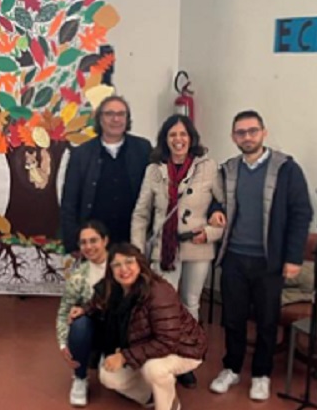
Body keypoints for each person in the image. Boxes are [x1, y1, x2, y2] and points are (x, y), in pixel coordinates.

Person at [208, 110, 312, 401]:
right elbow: (214, 198)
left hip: (270, 260)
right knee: (233, 318)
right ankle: (231, 368)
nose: (247, 137)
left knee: (267, 320)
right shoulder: (228, 169)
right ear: (233, 137)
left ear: (263, 133)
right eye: (240, 132)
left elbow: (301, 214)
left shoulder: (287, 169)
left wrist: (293, 257)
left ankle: (261, 374)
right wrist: (215, 210)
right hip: (234, 258)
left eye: (252, 131)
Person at [130, 115, 223, 388]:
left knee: (190, 302)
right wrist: (136, 253)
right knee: (162, 305)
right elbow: (140, 214)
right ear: (165, 139)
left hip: (197, 245)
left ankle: (186, 358)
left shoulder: (207, 167)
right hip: (163, 248)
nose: (178, 139)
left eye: (183, 134)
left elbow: (224, 206)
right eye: (172, 135)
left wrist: (211, 231)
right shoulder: (154, 170)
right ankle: (163, 357)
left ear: (191, 138)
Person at [88, 243, 207, 410]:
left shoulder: (158, 291)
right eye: (117, 265)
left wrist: (124, 357)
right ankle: (152, 396)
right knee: (109, 376)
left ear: (140, 264)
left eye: (129, 262)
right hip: (145, 348)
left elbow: (167, 341)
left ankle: (168, 406)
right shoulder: (116, 288)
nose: (123, 269)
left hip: (184, 348)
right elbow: (98, 303)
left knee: (153, 369)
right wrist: (83, 309)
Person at [61, 95, 152, 254]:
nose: (115, 119)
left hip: (132, 240)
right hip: (94, 243)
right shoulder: (82, 154)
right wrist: (74, 243)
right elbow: (69, 203)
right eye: (109, 114)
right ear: (100, 118)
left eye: (121, 114)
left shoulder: (143, 149)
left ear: (127, 118)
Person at [56, 220, 110, 407]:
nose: (88, 247)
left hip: (120, 328)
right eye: (83, 242)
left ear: (105, 241)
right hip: (93, 327)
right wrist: (63, 343)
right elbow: (63, 312)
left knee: (114, 380)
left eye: (93, 240)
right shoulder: (77, 276)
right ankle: (80, 378)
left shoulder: (122, 266)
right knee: (78, 323)